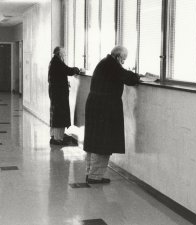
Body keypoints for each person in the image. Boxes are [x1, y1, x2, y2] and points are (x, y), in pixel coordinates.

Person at [84, 46, 141, 184]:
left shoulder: (105, 63)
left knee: (94, 141)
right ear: (118, 57)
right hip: (104, 108)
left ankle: (90, 173)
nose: (123, 63)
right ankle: (95, 176)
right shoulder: (112, 65)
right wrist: (137, 75)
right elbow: (130, 79)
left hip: (95, 105)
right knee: (103, 143)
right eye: (123, 60)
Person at [48, 46, 80, 145]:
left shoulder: (55, 61)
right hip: (59, 93)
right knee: (59, 115)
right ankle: (57, 138)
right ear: (59, 53)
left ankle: (54, 136)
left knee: (56, 114)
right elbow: (68, 71)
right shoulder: (57, 62)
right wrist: (76, 69)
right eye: (64, 53)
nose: (65, 54)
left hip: (56, 92)